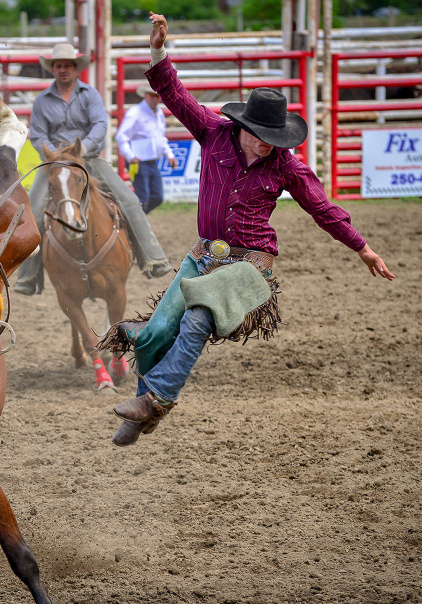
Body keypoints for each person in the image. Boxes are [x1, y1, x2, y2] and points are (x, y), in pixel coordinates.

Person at [107, 12, 396, 446]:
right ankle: (144, 406)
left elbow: (323, 209)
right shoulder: (212, 132)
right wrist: (158, 51)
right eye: (262, 135)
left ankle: (156, 399)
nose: (268, 143)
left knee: (199, 316)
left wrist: (363, 248)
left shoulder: (287, 166)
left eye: (275, 138)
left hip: (250, 263)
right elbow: (174, 93)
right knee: (155, 332)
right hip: (204, 254)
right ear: (244, 126)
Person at [13, 43, 173, 296]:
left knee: (129, 199)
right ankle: (28, 276)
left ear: (76, 69)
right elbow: (38, 135)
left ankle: (153, 258)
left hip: (88, 159)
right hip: (56, 163)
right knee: (33, 208)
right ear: (52, 69)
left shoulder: (90, 95)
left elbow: (100, 126)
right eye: (58, 66)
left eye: (67, 65)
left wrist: (80, 151)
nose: (63, 70)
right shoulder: (42, 100)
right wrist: (58, 156)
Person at [116, 84, 178, 214]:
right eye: (152, 95)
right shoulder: (134, 113)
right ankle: (137, 223)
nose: (155, 98)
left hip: (151, 161)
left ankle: (135, 221)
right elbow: (121, 136)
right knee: (143, 198)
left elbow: (160, 137)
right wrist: (130, 155)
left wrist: (169, 155)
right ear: (146, 96)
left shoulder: (159, 113)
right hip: (138, 161)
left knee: (157, 197)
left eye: (157, 95)